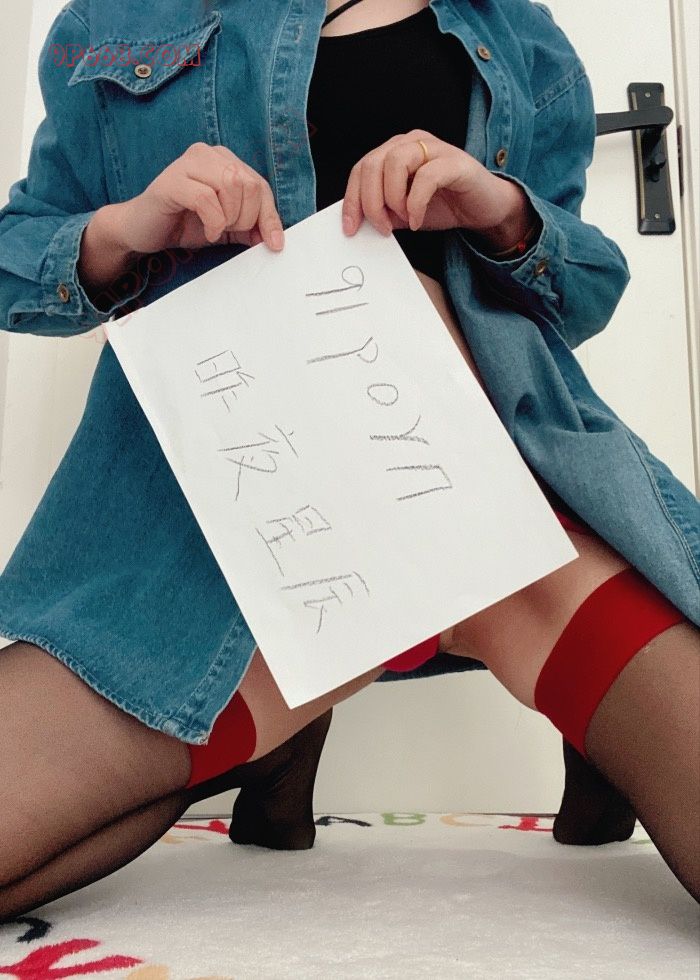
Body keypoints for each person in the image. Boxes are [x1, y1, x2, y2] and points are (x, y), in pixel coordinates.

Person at [0, 0, 698, 923]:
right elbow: (16, 258)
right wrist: (123, 229)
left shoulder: (511, 26)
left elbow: (586, 288)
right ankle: (271, 723)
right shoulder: (118, 16)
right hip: (233, 557)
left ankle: (575, 712)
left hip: (504, 513)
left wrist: (501, 211)